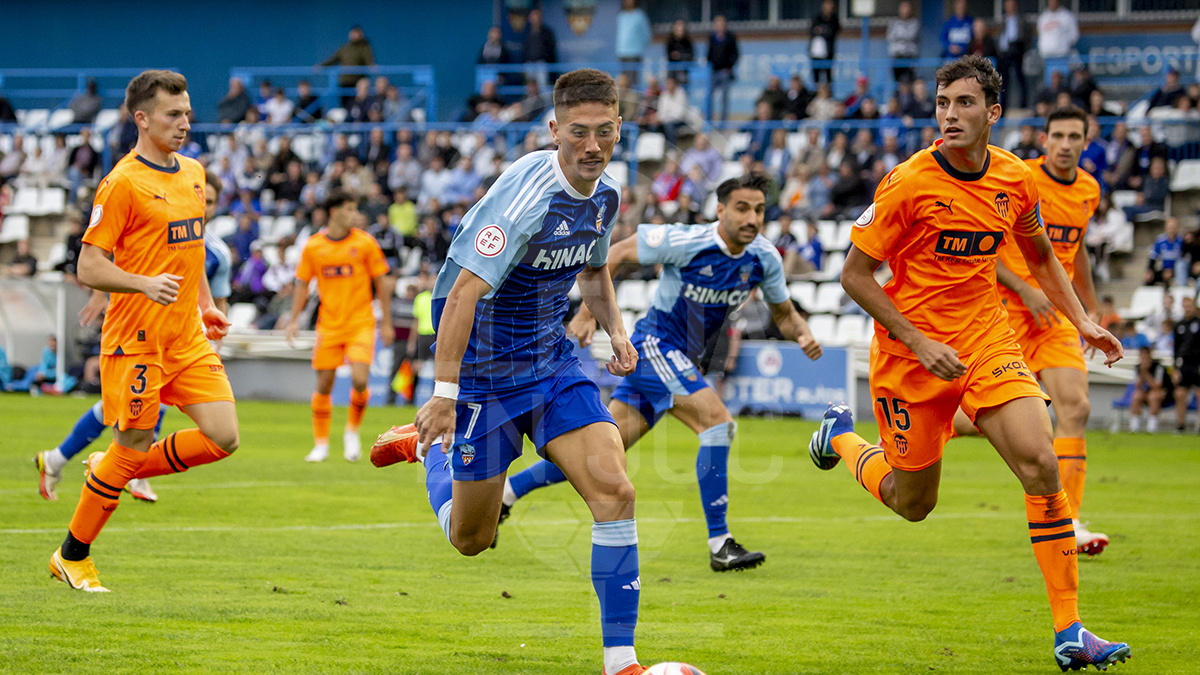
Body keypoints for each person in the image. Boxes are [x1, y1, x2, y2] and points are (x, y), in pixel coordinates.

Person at [807, 56, 1130, 670]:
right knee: (912, 502)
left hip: (986, 342)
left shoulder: (1014, 177)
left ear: (993, 113)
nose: (949, 115)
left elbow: (1040, 257)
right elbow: (854, 275)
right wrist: (917, 339)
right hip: (910, 357)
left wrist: (1083, 319)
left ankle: (1070, 631)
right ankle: (842, 439)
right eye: (941, 103)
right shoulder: (908, 182)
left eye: (963, 103)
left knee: (1041, 464)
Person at [368, 69, 653, 675]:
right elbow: (462, 294)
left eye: (605, 132)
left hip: (552, 365)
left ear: (620, 130)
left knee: (615, 490)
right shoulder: (525, 198)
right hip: (483, 378)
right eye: (578, 133)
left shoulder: (607, 194)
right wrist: (444, 395)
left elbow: (594, 268)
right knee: (474, 539)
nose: (592, 146)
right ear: (554, 130)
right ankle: (432, 453)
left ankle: (621, 661)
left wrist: (616, 331)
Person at [503, 173, 823, 571]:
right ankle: (721, 542)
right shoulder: (686, 241)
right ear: (720, 210)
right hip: (656, 346)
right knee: (719, 425)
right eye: (742, 208)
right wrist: (587, 314)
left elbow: (784, 314)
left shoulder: (763, 259)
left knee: (602, 458)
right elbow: (616, 252)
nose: (752, 218)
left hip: (676, 362)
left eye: (759, 210)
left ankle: (508, 493)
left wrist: (804, 334)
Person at [49, 71, 237, 593]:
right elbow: (88, 266)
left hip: (186, 338)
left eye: (187, 112)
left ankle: (110, 467)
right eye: (173, 115)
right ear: (142, 119)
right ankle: (73, 556)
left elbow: (190, 249)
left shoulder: (195, 172)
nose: (185, 122)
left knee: (224, 436)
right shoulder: (123, 182)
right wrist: (139, 282)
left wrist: (207, 305)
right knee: (131, 445)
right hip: (136, 340)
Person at [950, 105, 1109, 555]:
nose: (1064, 145)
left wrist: (1088, 306)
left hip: (1054, 316)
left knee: (1075, 407)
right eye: (1056, 135)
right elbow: (987, 247)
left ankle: (1071, 521)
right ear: (1044, 140)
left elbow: (1073, 251)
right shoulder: (1018, 178)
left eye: (1074, 137)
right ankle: (939, 420)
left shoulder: (1089, 190)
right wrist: (1027, 288)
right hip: (1008, 313)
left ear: (1085, 141)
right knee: (986, 421)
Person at [286, 189, 393, 463]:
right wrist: (294, 320)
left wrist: (387, 323)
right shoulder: (313, 246)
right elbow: (301, 283)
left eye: (355, 209)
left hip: (360, 322)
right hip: (329, 326)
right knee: (323, 385)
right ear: (334, 212)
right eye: (349, 208)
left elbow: (382, 281)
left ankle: (352, 432)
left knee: (359, 380)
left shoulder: (366, 243)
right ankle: (321, 444)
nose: (355, 214)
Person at [320, 26, 376, 108]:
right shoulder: (345, 48)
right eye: (354, 33)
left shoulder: (365, 47)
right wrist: (321, 66)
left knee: (358, 104)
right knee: (345, 104)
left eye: (358, 33)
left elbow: (369, 61)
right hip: (345, 82)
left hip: (357, 82)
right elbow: (333, 59)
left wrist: (372, 66)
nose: (355, 35)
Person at [997, 0, 1032, 110]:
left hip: (1018, 53)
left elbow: (1028, 39)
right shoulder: (1003, 21)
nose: (1010, 7)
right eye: (1008, 5)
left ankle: (1023, 105)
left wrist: (1023, 51)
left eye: (1012, 5)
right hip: (1005, 54)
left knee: (1021, 80)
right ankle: (1003, 107)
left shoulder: (1023, 20)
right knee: (1004, 82)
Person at [1173, 296, 1200, 433]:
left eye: (1190, 305)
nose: (1188, 308)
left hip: (1198, 363)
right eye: (1185, 305)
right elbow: (1176, 350)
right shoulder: (1179, 325)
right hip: (1185, 364)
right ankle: (1180, 425)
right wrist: (1176, 368)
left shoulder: (1198, 323)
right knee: (1180, 394)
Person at [1130, 344, 1170, 433]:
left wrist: (1146, 372)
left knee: (1153, 396)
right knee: (1136, 396)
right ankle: (1134, 426)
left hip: (1162, 394)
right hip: (1145, 392)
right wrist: (1142, 372)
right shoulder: (1137, 367)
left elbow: (1157, 386)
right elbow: (1137, 386)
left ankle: (1152, 426)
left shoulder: (1158, 367)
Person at [707, 15, 739, 122]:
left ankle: (723, 122)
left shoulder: (730, 37)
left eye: (721, 23)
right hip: (713, 72)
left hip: (725, 72)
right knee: (709, 97)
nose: (719, 26)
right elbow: (709, 53)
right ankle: (709, 120)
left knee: (724, 99)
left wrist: (729, 67)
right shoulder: (712, 38)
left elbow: (735, 54)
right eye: (717, 23)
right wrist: (710, 63)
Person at [1038, 0, 1079, 81]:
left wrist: (1061, 45)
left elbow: (1074, 36)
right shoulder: (1043, 17)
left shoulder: (1067, 16)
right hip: (1046, 58)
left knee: (1063, 83)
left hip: (1062, 58)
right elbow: (1040, 34)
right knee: (1049, 87)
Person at [616, 0, 651, 84]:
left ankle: (634, 97)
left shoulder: (639, 15)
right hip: (621, 53)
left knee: (632, 81)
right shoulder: (621, 16)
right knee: (623, 80)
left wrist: (640, 48)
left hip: (634, 53)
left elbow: (646, 35)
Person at [887, 1, 920, 84]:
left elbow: (911, 35)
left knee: (910, 82)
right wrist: (904, 37)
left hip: (910, 57)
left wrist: (899, 36)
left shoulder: (915, 23)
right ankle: (897, 95)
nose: (905, 10)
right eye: (903, 8)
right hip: (897, 56)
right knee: (896, 83)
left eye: (907, 8)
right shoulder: (893, 23)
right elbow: (890, 37)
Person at [1145, 216, 1183, 287]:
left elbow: (1184, 258)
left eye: (1173, 227)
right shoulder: (1160, 240)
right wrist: (1150, 270)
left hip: (1176, 271)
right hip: (1164, 269)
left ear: (1177, 228)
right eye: (1170, 227)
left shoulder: (1181, 241)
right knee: (1149, 279)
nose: (1171, 230)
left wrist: (1171, 271)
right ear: (1165, 228)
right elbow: (1153, 256)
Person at [810, 0, 840, 84]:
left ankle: (828, 92)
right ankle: (817, 92)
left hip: (828, 51)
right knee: (816, 73)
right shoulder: (817, 17)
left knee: (828, 72)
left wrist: (822, 31)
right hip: (816, 51)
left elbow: (833, 31)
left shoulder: (834, 19)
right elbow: (812, 30)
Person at [666, 20, 694, 84]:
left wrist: (679, 56)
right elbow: (669, 55)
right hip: (672, 70)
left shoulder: (687, 42)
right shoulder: (670, 41)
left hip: (683, 70)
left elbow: (690, 56)